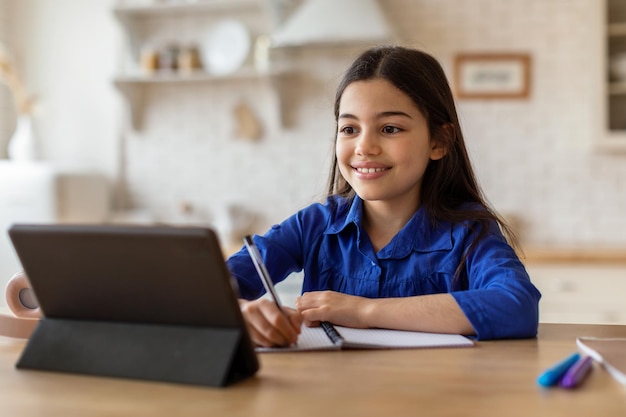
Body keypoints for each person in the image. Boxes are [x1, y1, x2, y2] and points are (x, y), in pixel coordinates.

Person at [227, 45, 541, 347]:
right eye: (349, 129)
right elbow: (209, 290)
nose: (364, 147)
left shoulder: (470, 232)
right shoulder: (315, 224)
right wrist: (243, 313)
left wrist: (364, 311)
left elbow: (516, 306)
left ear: (439, 142)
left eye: (390, 128)